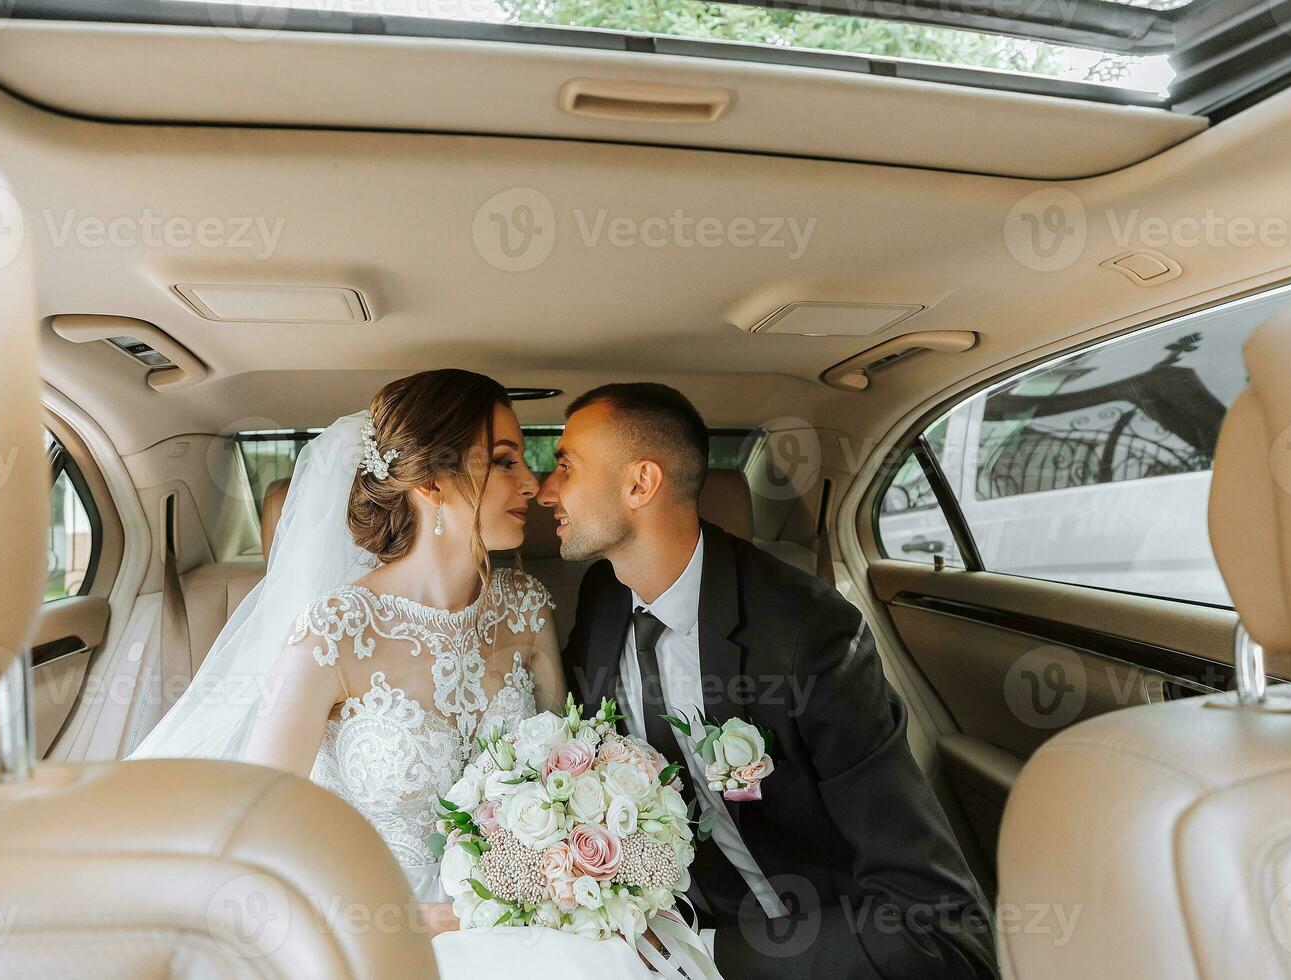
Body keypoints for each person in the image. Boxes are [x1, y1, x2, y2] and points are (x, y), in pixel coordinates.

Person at [130, 369, 664, 979]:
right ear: (433, 481)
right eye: (505, 460)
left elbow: (566, 770)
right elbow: (256, 834)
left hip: (518, 924)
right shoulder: (333, 634)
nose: (533, 483)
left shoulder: (525, 607)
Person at [539, 383, 998, 980]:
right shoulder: (603, 600)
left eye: (565, 467)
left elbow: (945, 929)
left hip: (812, 942)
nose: (546, 490)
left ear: (639, 484)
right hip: (661, 923)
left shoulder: (808, 635)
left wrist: (708, 954)